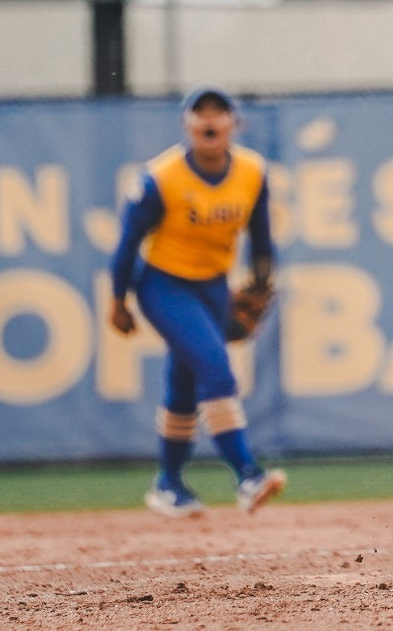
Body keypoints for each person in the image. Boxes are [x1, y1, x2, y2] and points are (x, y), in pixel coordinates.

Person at [109, 87, 287, 518]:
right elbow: (128, 244)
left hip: (213, 288)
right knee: (213, 366)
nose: (210, 119)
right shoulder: (161, 178)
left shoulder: (251, 172)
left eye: (219, 112)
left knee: (186, 384)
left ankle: (168, 484)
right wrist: (119, 298)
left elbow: (261, 237)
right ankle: (247, 474)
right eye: (200, 112)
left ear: (233, 123)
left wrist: (262, 281)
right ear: (187, 125)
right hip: (164, 286)